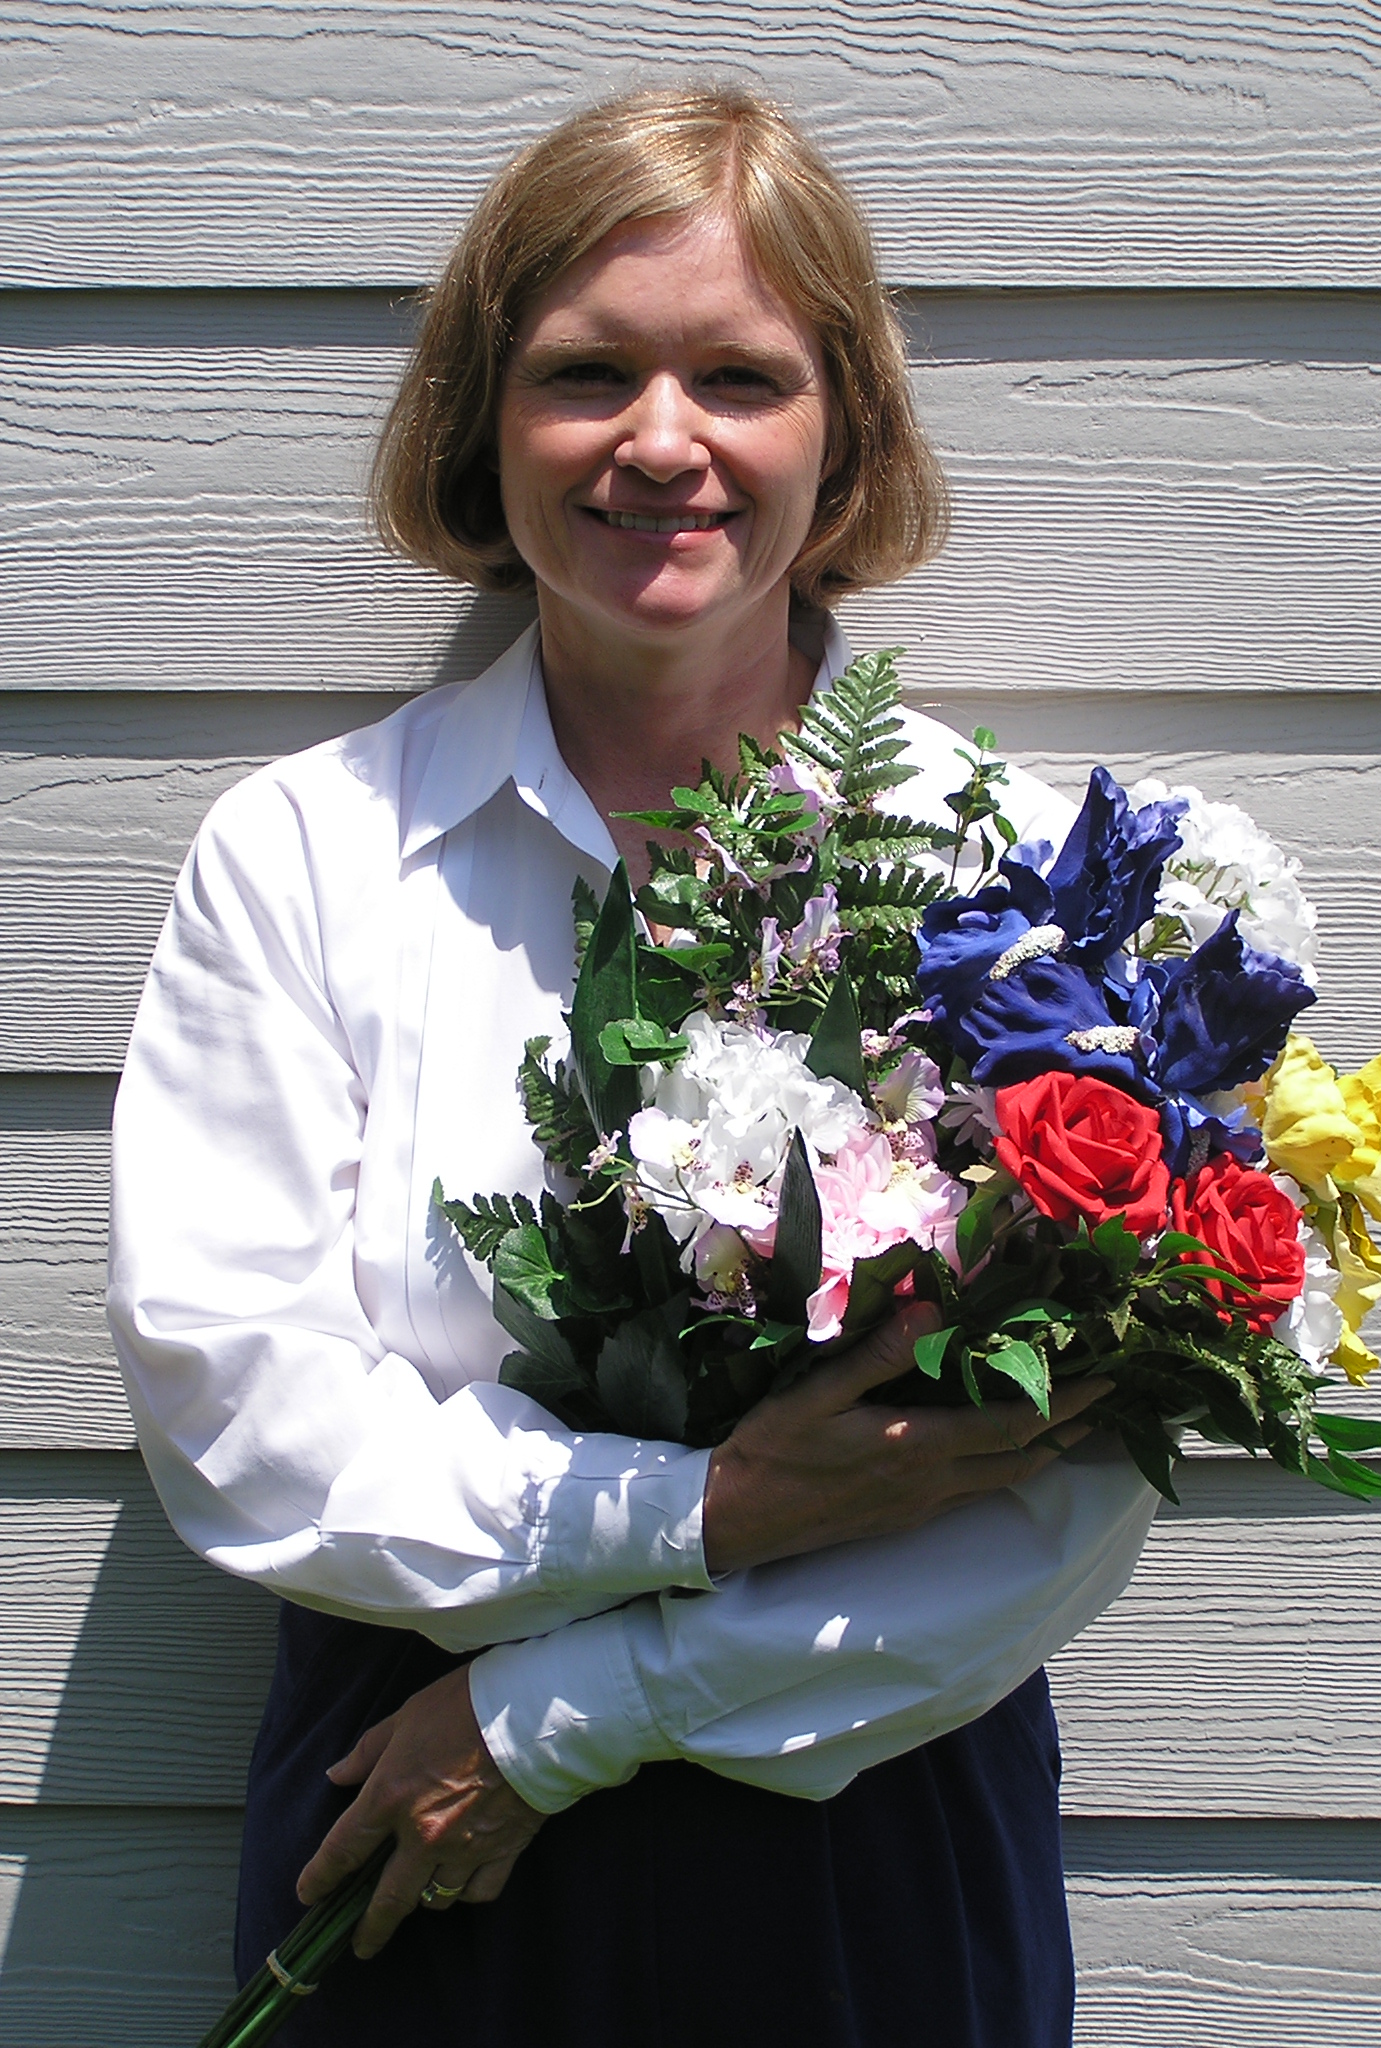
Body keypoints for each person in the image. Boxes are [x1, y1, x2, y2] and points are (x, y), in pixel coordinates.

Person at [108, 86, 1159, 2048]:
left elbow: (1068, 1483)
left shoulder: (1008, 876)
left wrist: (566, 1710)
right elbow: (239, 1404)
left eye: (739, 377)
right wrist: (710, 1512)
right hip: (403, 1834)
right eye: (587, 372)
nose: (662, 440)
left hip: (866, 1818)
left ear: (843, 433)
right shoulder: (307, 857)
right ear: (481, 420)